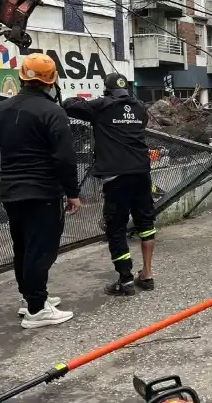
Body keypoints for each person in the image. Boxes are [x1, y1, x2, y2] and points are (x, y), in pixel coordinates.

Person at [0, 53, 81, 329]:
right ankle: (36, 309)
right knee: (40, 250)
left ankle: (31, 299)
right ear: (51, 80)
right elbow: (65, 157)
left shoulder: (2, 109)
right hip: (43, 192)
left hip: (12, 192)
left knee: (22, 247)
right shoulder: (53, 112)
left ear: (22, 77)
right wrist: (72, 192)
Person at [62, 73, 155, 296]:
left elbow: (68, 105)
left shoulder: (102, 105)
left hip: (116, 177)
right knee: (146, 223)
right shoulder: (140, 107)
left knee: (116, 228)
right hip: (142, 173)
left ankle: (125, 280)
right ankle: (148, 274)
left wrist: (95, 101)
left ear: (107, 90)